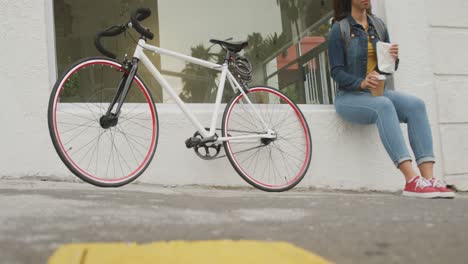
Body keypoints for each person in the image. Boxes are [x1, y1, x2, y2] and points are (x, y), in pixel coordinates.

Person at [328, 0, 455, 198]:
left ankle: (428, 179)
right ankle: (411, 180)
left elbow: (386, 69)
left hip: (377, 93)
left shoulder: (378, 26)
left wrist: (393, 59)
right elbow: (336, 72)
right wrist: (361, 82)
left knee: (416, 105)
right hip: (349, 97)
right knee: (383, 105)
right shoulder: (339, 30)